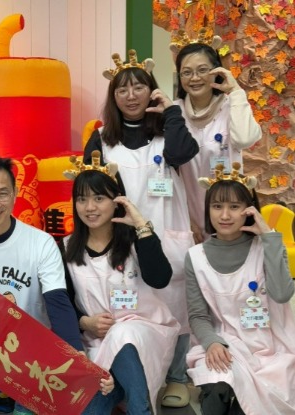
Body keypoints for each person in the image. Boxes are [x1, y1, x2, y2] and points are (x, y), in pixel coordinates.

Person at [0, 155, 111, 415]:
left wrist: (75, 353)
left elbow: (57, 302)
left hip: (34, 353)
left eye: (2, 193)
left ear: (15, 193)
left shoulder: (41, 243)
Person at [83, 50, 199, 408]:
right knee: (133, 310)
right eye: (122, 89)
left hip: (167, 231)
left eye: (139, 87)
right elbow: (88, 189)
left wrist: (171, 111)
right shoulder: (101, 140)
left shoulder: (168, 134)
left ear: (152, 90)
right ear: (113, 97)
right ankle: (135, 376)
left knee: (175, 305)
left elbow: (185, 152)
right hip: (120, 238)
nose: (131, 96)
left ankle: (176, 377)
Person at [61, 154, 180, 414]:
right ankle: (122, 390)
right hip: (95, 344)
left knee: (124, 333)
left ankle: (140, 409)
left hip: (143, 335)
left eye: (98, 198)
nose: (89, 207)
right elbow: (63, 303)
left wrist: (141, 226)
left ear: (117, 201)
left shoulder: (136, 239)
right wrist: (85, 322)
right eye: (81, 199)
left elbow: (160, 279)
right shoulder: (66, 247)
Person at [185, 166, 295, 414]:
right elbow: (198, 315)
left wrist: (268, 236)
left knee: (256, 403)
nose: (225, 215)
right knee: (217, 386)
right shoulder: (195, 256)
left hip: (273, 347)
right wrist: (212, 342)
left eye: (234, 206)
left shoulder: (267, 246)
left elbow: (281, 294)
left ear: (249, 209)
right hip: (225, 343)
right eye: (217, 206)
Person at [171, 32, 262, 243]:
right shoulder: (174, 113)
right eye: (187, 72)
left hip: (229, 217)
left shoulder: (232, 106)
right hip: (187, 219)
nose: (195, 78)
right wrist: (184, 219)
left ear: (217, 71)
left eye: (203, 70)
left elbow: (245, 139)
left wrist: (236, 91)